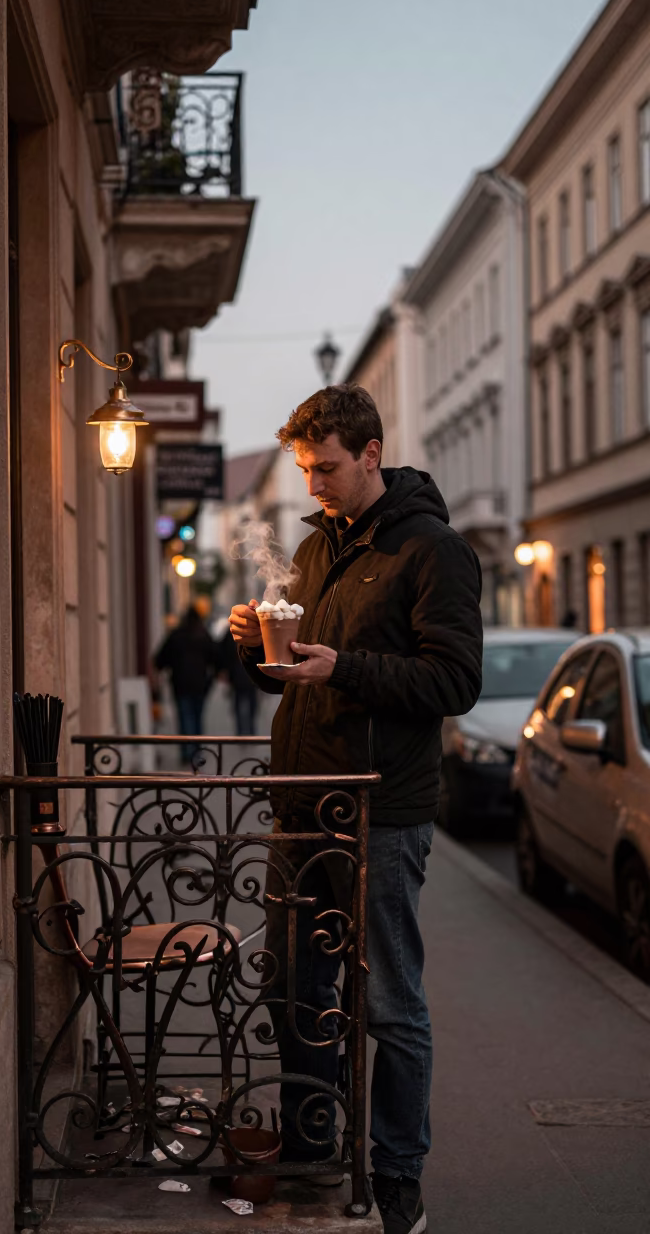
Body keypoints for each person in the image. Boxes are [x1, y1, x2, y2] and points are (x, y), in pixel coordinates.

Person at [229, 385, 483, 1234]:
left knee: (389, 1004)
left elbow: (455, 681)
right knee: (292, 988)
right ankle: (311, 1146)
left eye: (326, 467)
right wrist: (255, 647)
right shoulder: (315, 549)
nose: (313, 485)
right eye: (304, 468)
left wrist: (343, 666)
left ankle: (398, 1172)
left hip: (380, 811)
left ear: (371, 454)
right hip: (299, 803)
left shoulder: (433, 549)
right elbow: (294, 674)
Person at [153, 600, 217, 762]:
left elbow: (160, 659)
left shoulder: (176, 635)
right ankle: (196, 751)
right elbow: (216, 659)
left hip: (180, 684)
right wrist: (211, 679)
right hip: (200, 685)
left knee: (184, 718)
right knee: (197, 718)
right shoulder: (203, 635)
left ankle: (186, 752)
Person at [218, 626, 259, 735]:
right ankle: (250, 731)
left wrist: (225, 670)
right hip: (252, 675)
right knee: (251, 705)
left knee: (239, 704)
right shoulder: (254, 630)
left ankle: (241, 732)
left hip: (237, 676)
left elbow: (223, 652)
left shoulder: (231, 632)